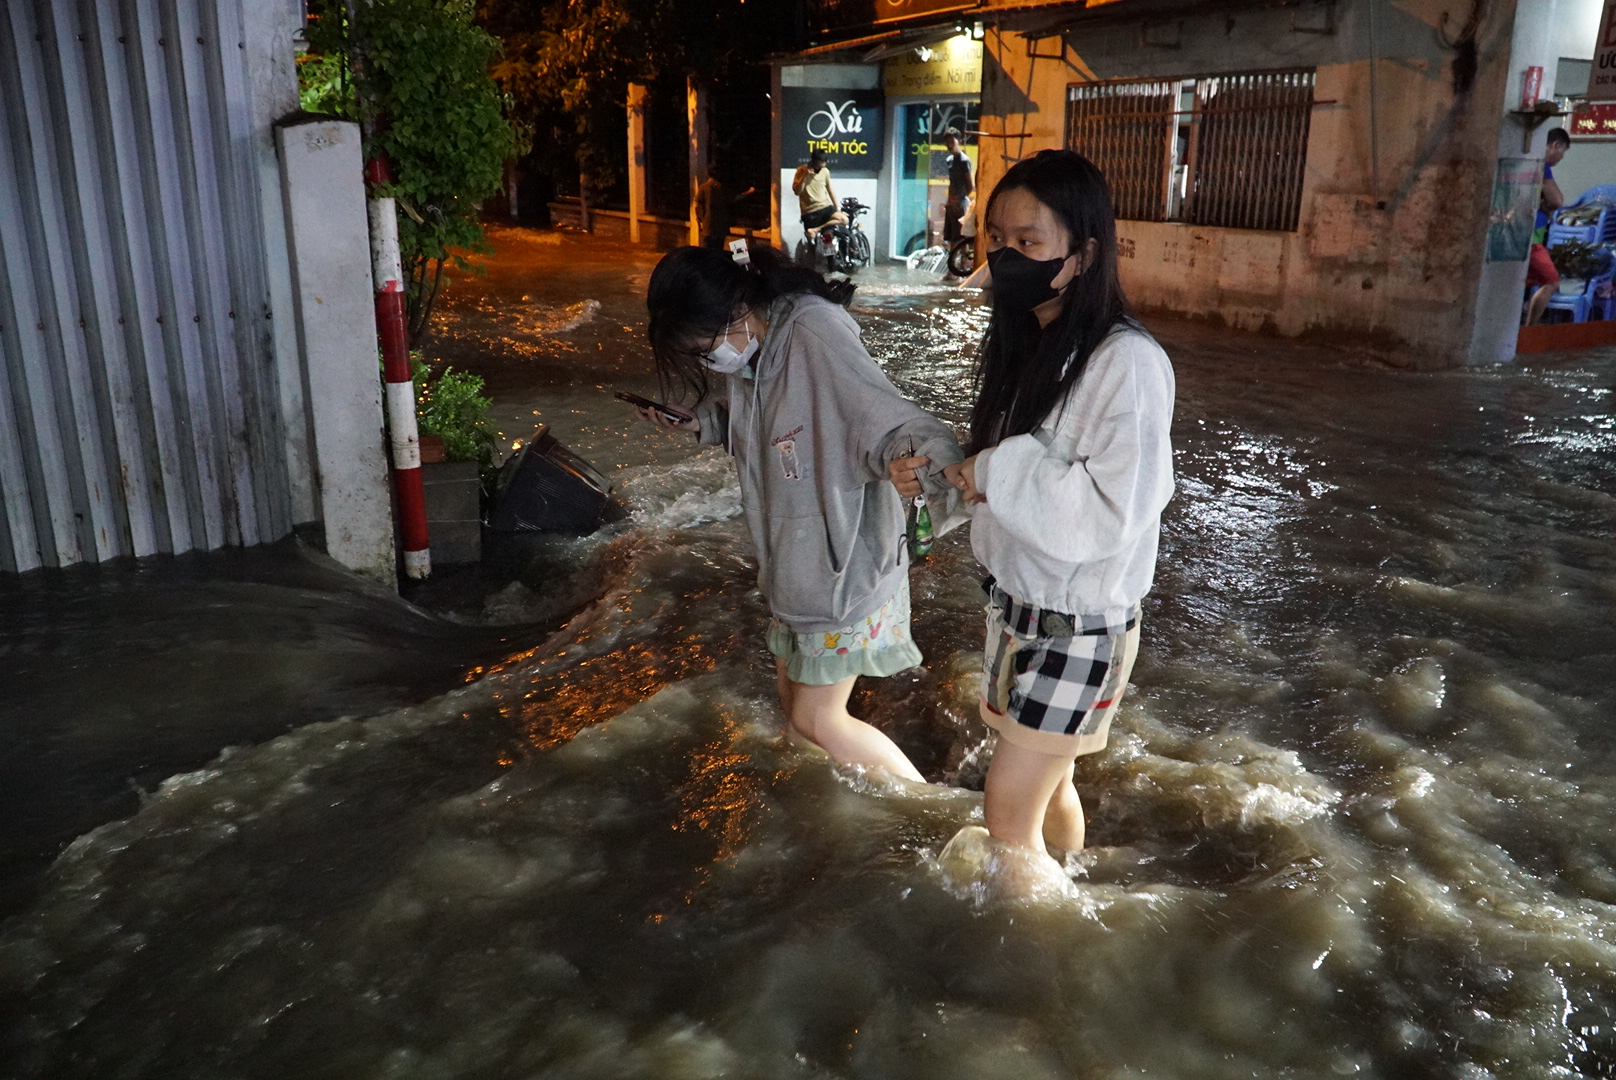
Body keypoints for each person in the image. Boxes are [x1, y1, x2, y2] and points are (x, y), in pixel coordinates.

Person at [891, 149, 1175, 859]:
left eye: (1028, 242)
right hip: (1017, 612)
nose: (1006, 256)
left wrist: (992, 469)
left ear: (1082, 254)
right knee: (1051, 792)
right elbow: (1002, 476)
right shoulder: (1035, 345)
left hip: (1079, 626)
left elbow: (1115, 511)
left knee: (1006, 819)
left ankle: (1035, 949)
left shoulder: (1127, 363)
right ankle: (1069, 885)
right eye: (996, 239)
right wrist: (940, 479)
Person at [632, 243, 964, 781]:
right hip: (798, 568)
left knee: (819, 718)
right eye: (696, 355)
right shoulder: (756, 348)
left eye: (704, 347)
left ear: (738, 307)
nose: (707, 361)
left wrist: (918, 465)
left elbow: (886, 416)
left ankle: (928, 812)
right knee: (796, 716)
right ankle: (823, 820)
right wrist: (704, 425)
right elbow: (772, 435)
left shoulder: (812, 331)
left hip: (845, 563)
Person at [1524, 128, 1570, 325]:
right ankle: (1530, 329)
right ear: (1555, 145)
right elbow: (1557, 200)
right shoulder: (1542, 164)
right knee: (1552, 282)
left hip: (1522, 232)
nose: (1561, 157)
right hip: (1531, 236)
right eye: (1563, 151)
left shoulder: (1527, 161)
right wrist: (1547, 204)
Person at [792, 151, 847, 240]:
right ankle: (814, 232)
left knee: (844, 220)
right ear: (813, 162)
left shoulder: (825, 172)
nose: (820, 169)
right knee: (812, 243)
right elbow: (797, 192)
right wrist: (805, 176)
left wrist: (837, 208)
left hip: (826, 207)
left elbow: (830, 190)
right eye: (818, 167)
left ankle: (816, 229)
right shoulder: (801, 171)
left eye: (822, 167)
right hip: (810, 212)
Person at [942, 130, 974, 244]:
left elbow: (970, 186)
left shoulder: (964, 161)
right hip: (951, 202)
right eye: (947, 142)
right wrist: (950, 199)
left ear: (959, 141)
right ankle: (952, 260)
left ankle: (963, 261)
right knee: (951, 237)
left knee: (961, 237)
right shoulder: (949, 160)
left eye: (952, 141)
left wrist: (959, 198)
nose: (949, 145)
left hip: (960, 203)